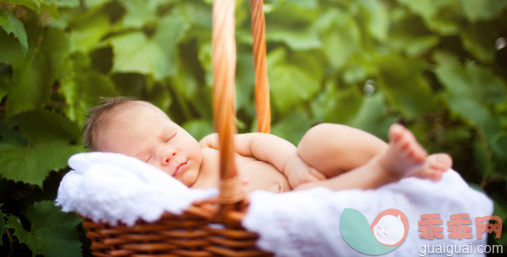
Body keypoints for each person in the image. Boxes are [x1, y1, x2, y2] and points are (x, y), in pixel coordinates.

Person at [83, 97, 452, 193]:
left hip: (307, 171)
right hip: (300, 207)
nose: (168, 153)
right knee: (308, 204)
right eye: (146, 159)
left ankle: (393, 161)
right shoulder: (178, 200)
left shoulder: (213, 144)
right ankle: (385, 170)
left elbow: (260, 142)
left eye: (169, 136)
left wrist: (292, 164)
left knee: (319, 138)